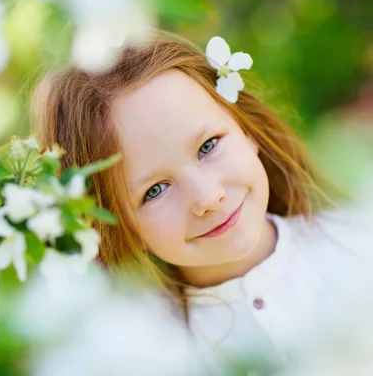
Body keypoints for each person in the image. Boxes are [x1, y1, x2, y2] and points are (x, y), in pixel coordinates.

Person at [30, 31, 373, 366]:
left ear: (245, 128)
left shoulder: (359, 247)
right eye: (155, 190)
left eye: (208, 146)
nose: (208, 197)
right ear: (116, 222)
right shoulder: (141, 352)